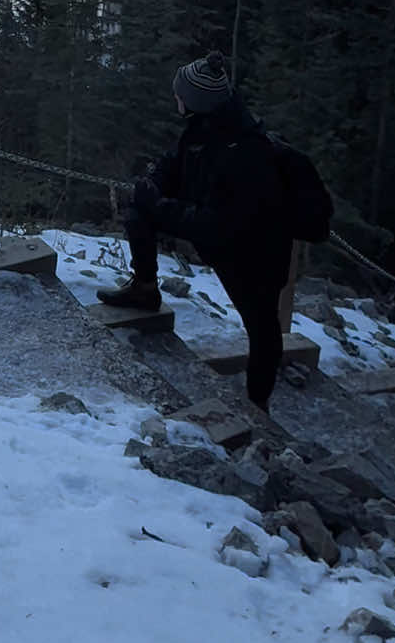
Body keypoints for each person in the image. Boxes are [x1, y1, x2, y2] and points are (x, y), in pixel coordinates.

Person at [98, 50, 292, 412]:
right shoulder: (207, 127)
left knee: (262, 327)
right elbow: (175, 162)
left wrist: (158, 204)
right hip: (221, 232)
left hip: (255, 250)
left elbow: (214, 224)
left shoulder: (243, 152)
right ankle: (144, 288)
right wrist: (152, 185)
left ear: (194, 101)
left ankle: (258, 402)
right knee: (140, 210)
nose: (176, 99)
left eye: (179, 95)